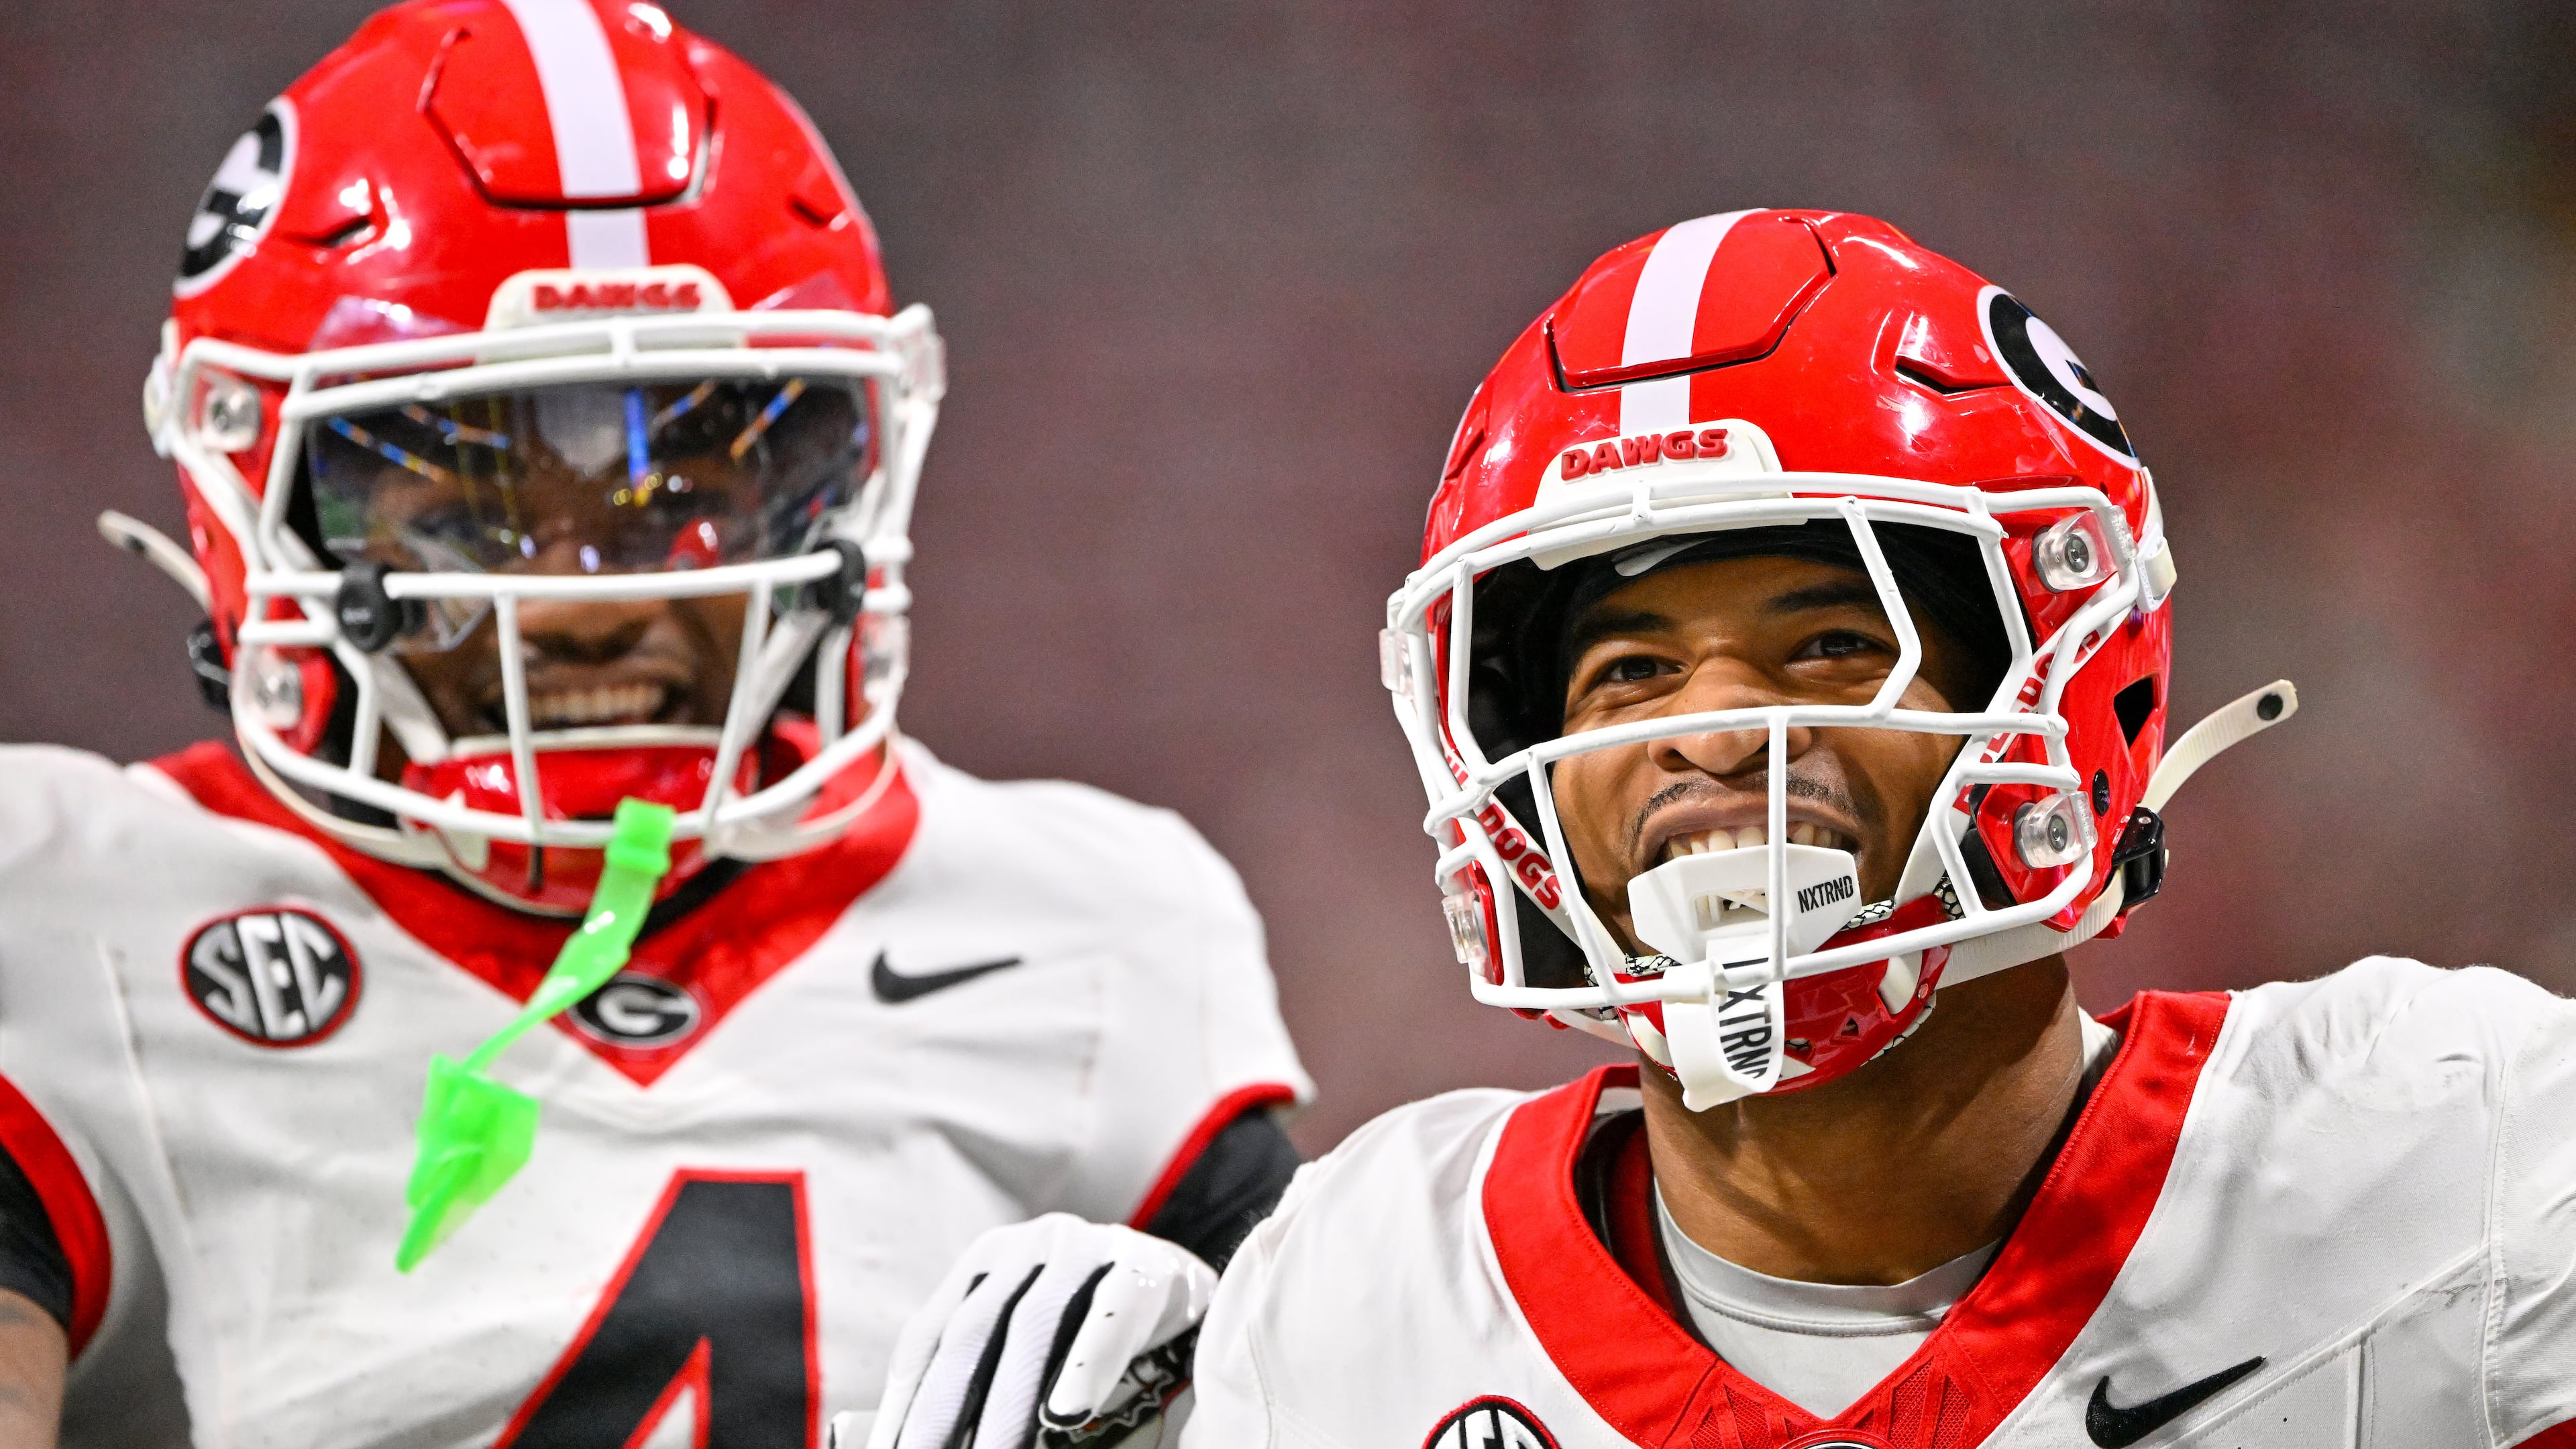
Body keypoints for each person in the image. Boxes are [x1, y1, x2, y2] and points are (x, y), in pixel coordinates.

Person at [0, 3, 1309, 1445]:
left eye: (690, 500)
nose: (584, 608)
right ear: (260, 501)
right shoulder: (59, 907)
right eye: (468, 515)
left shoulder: (1095, 924)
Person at [1169, 210, 2576, 1448]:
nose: (1713, 737)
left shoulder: (2465, 1164)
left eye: (1836, 642)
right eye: (1632, 672)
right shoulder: (1349, 1304)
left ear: (2067, 685)